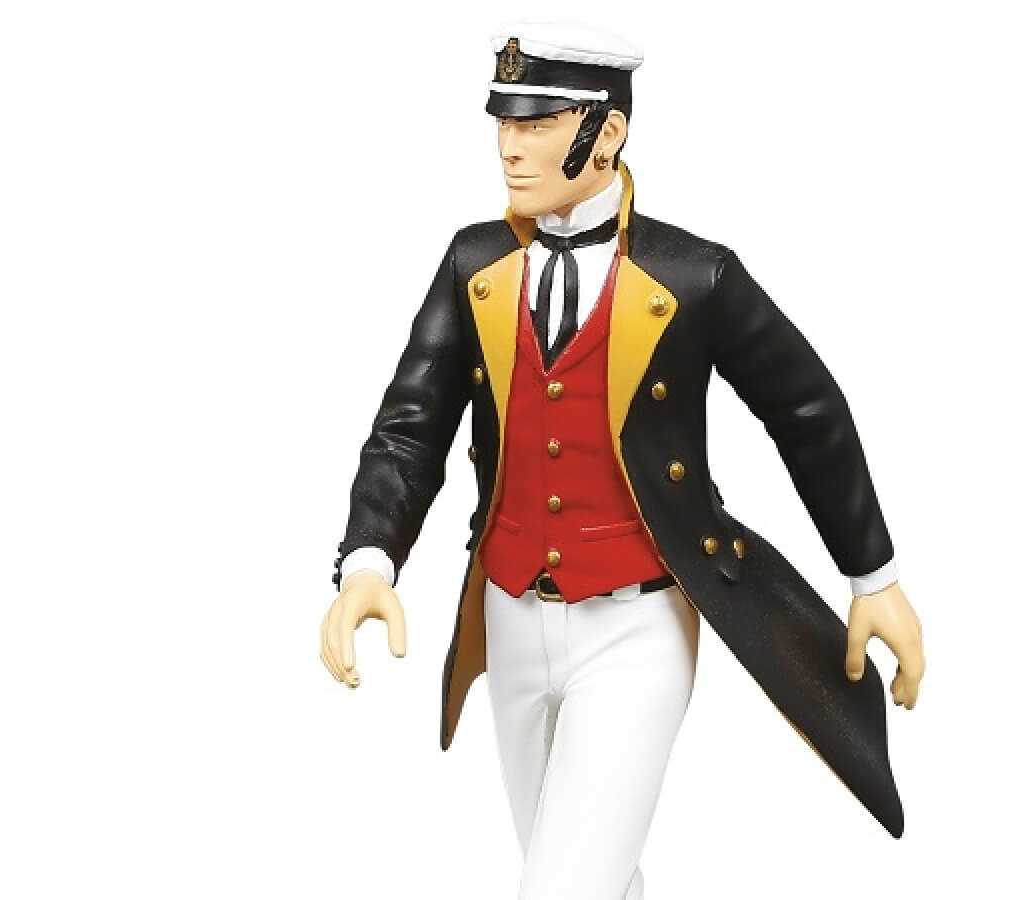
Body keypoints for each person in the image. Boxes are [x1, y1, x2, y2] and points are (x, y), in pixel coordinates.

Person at [319, 21, 925, 899]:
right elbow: (411, 423)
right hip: (509, 613)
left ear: (607, 132)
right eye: (504, 122)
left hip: (637, 625)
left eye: (538, 124)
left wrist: (874, 575)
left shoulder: (693, 276)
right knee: (586, 872)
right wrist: (369, 558)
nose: (509, 147)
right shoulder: (474, 264)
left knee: (563, 886)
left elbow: (806, 410)